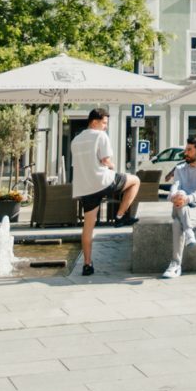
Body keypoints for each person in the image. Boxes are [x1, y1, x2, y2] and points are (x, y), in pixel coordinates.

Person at [70, 108, 140, 277]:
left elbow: (77, 165)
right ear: (94, 122)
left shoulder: (75, 140)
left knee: (88, 227)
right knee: (135, 180)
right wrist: (113, 166)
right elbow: (105, 160)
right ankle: (120, 216)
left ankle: (87, 264)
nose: (106, 127)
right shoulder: (100, 136)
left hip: (85, 188)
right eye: (104, 123)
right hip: (103, 181)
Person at [162, 137, 196, 280]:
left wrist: (187, 199)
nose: (185, 153)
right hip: (180, 205)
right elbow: (175, 187)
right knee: (180, 193)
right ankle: (189, 232)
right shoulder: (180, 168)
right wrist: (174, 196)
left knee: (176, 223)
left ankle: (175, 265)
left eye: (189, 150)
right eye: (185, 150)